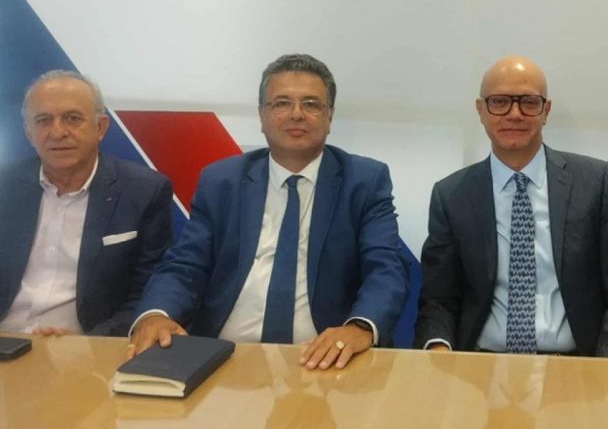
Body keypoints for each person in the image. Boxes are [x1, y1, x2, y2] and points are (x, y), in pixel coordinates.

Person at [130, 54, 408, 370]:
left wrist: (359, 327)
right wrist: (156, 313)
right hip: (224, 354)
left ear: (329, 117)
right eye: (281, 104)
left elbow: (385, 267)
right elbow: (186, 263)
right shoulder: (221, 180)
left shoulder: (364, 181)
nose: (296, 114)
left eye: (311, 104)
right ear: (262, 116)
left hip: (324, 358)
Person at [414, 55, 608, 356]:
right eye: (499, 102)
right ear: (480, 110)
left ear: (546, 110)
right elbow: (438, 299)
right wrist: (439, 351)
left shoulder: (595, 182)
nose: (514, 114)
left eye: (529, 102)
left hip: (577, 365)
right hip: (481, 366)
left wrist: (606, 366)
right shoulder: (451, 195)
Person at [0, 70, 172, 336]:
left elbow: (147, 293)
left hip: (84, 345)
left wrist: (90, 344)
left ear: (100, 127)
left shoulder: (143, 191)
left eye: (72, 118)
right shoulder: (5, 185)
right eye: (43, 120)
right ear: (29, 133)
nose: (57, 132)